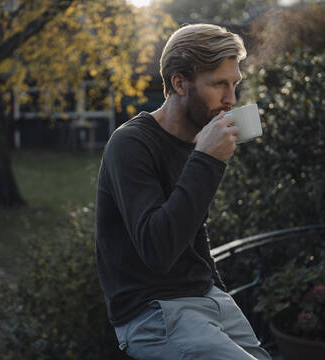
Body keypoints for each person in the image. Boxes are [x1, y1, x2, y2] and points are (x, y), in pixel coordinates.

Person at [95, 24, 271, 360]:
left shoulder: (196, 141)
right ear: (179, 83)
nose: (231, 100)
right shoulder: (130, 144)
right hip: (152, 310)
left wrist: (218, 292)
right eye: (219, 84)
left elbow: (193, 233)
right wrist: (206, 160)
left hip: (205, 297)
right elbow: (157, 250)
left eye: (234, 85)